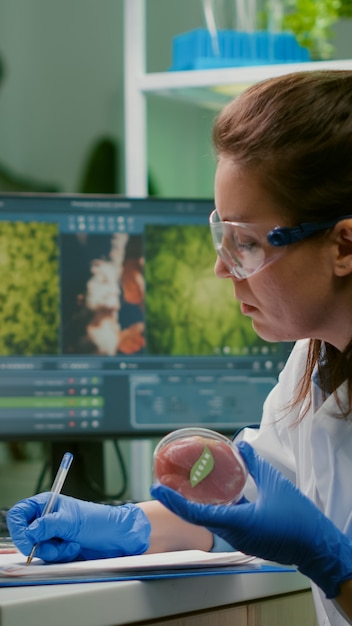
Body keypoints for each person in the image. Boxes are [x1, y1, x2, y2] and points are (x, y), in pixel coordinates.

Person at [6, 69, 352, 625]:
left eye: (245, 243)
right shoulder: (315, 362)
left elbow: (298, 533)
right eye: (223, 236)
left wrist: (336, 564)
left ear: (344, 244)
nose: (222, 268)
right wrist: (124, 525)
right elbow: (237, 506)